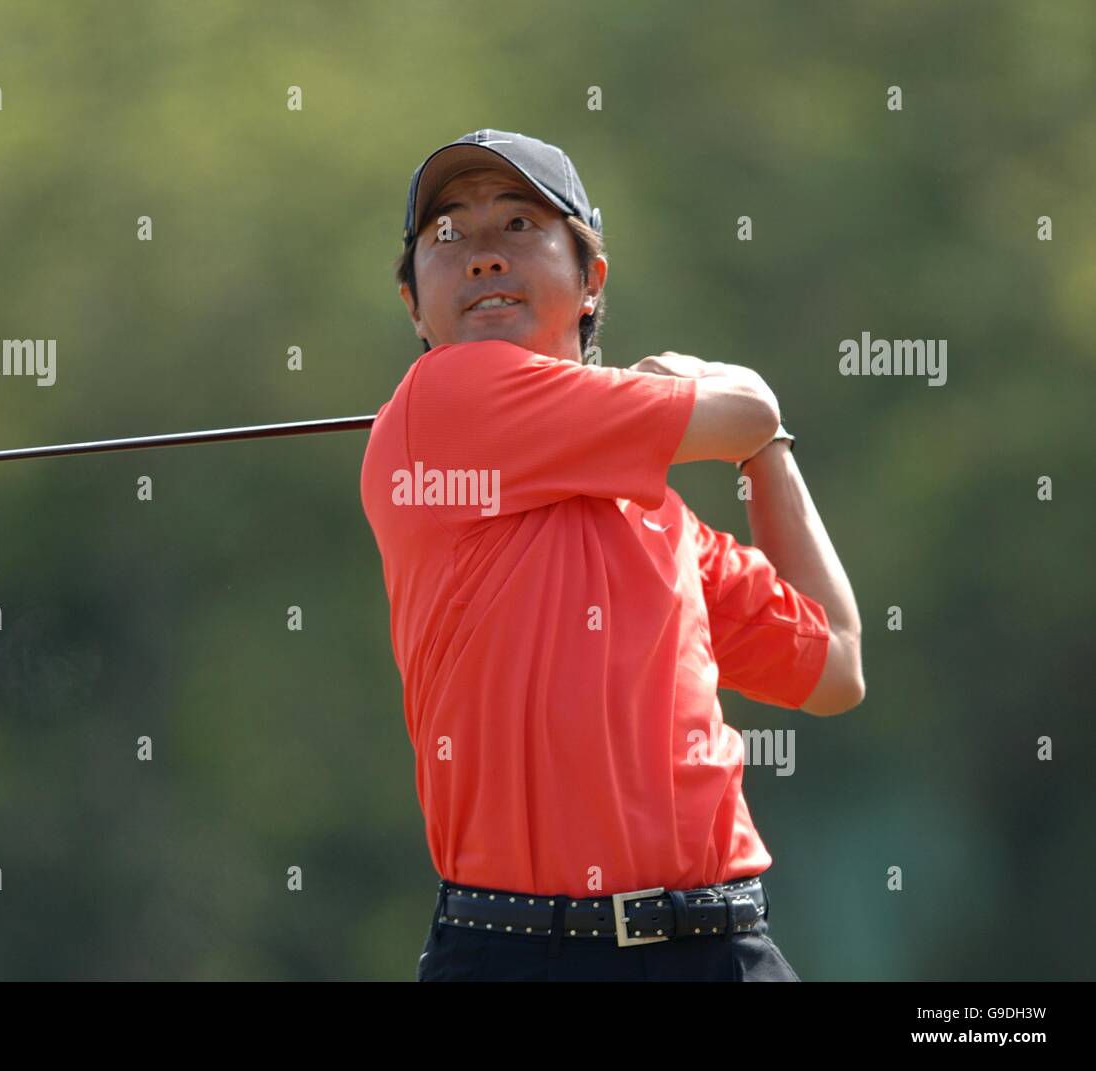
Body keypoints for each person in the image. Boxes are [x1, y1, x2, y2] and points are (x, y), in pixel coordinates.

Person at [359, 129, 865, 982]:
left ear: (591, 280)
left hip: (722, 944)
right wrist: (732, 403)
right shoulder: (444, 400)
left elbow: (836, 666)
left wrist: (769, 455)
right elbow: (746, 405)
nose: (482, 256)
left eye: (520, 225)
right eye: (448, 235)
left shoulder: (657, 518)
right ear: (415, 306)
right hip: (519, 953)